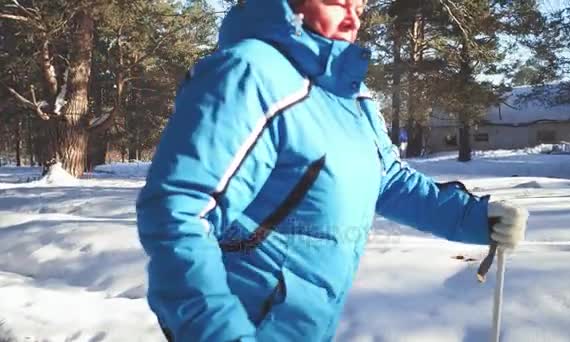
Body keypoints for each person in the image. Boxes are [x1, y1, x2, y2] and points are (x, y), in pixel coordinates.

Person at [136, 0, 529, 341]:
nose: (353, 19)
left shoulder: (349, 96)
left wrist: (473, 217)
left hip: (306, 325)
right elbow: (180, 215)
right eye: (337, 3)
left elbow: (388, 180)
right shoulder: (249, 73)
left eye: (359, 7)